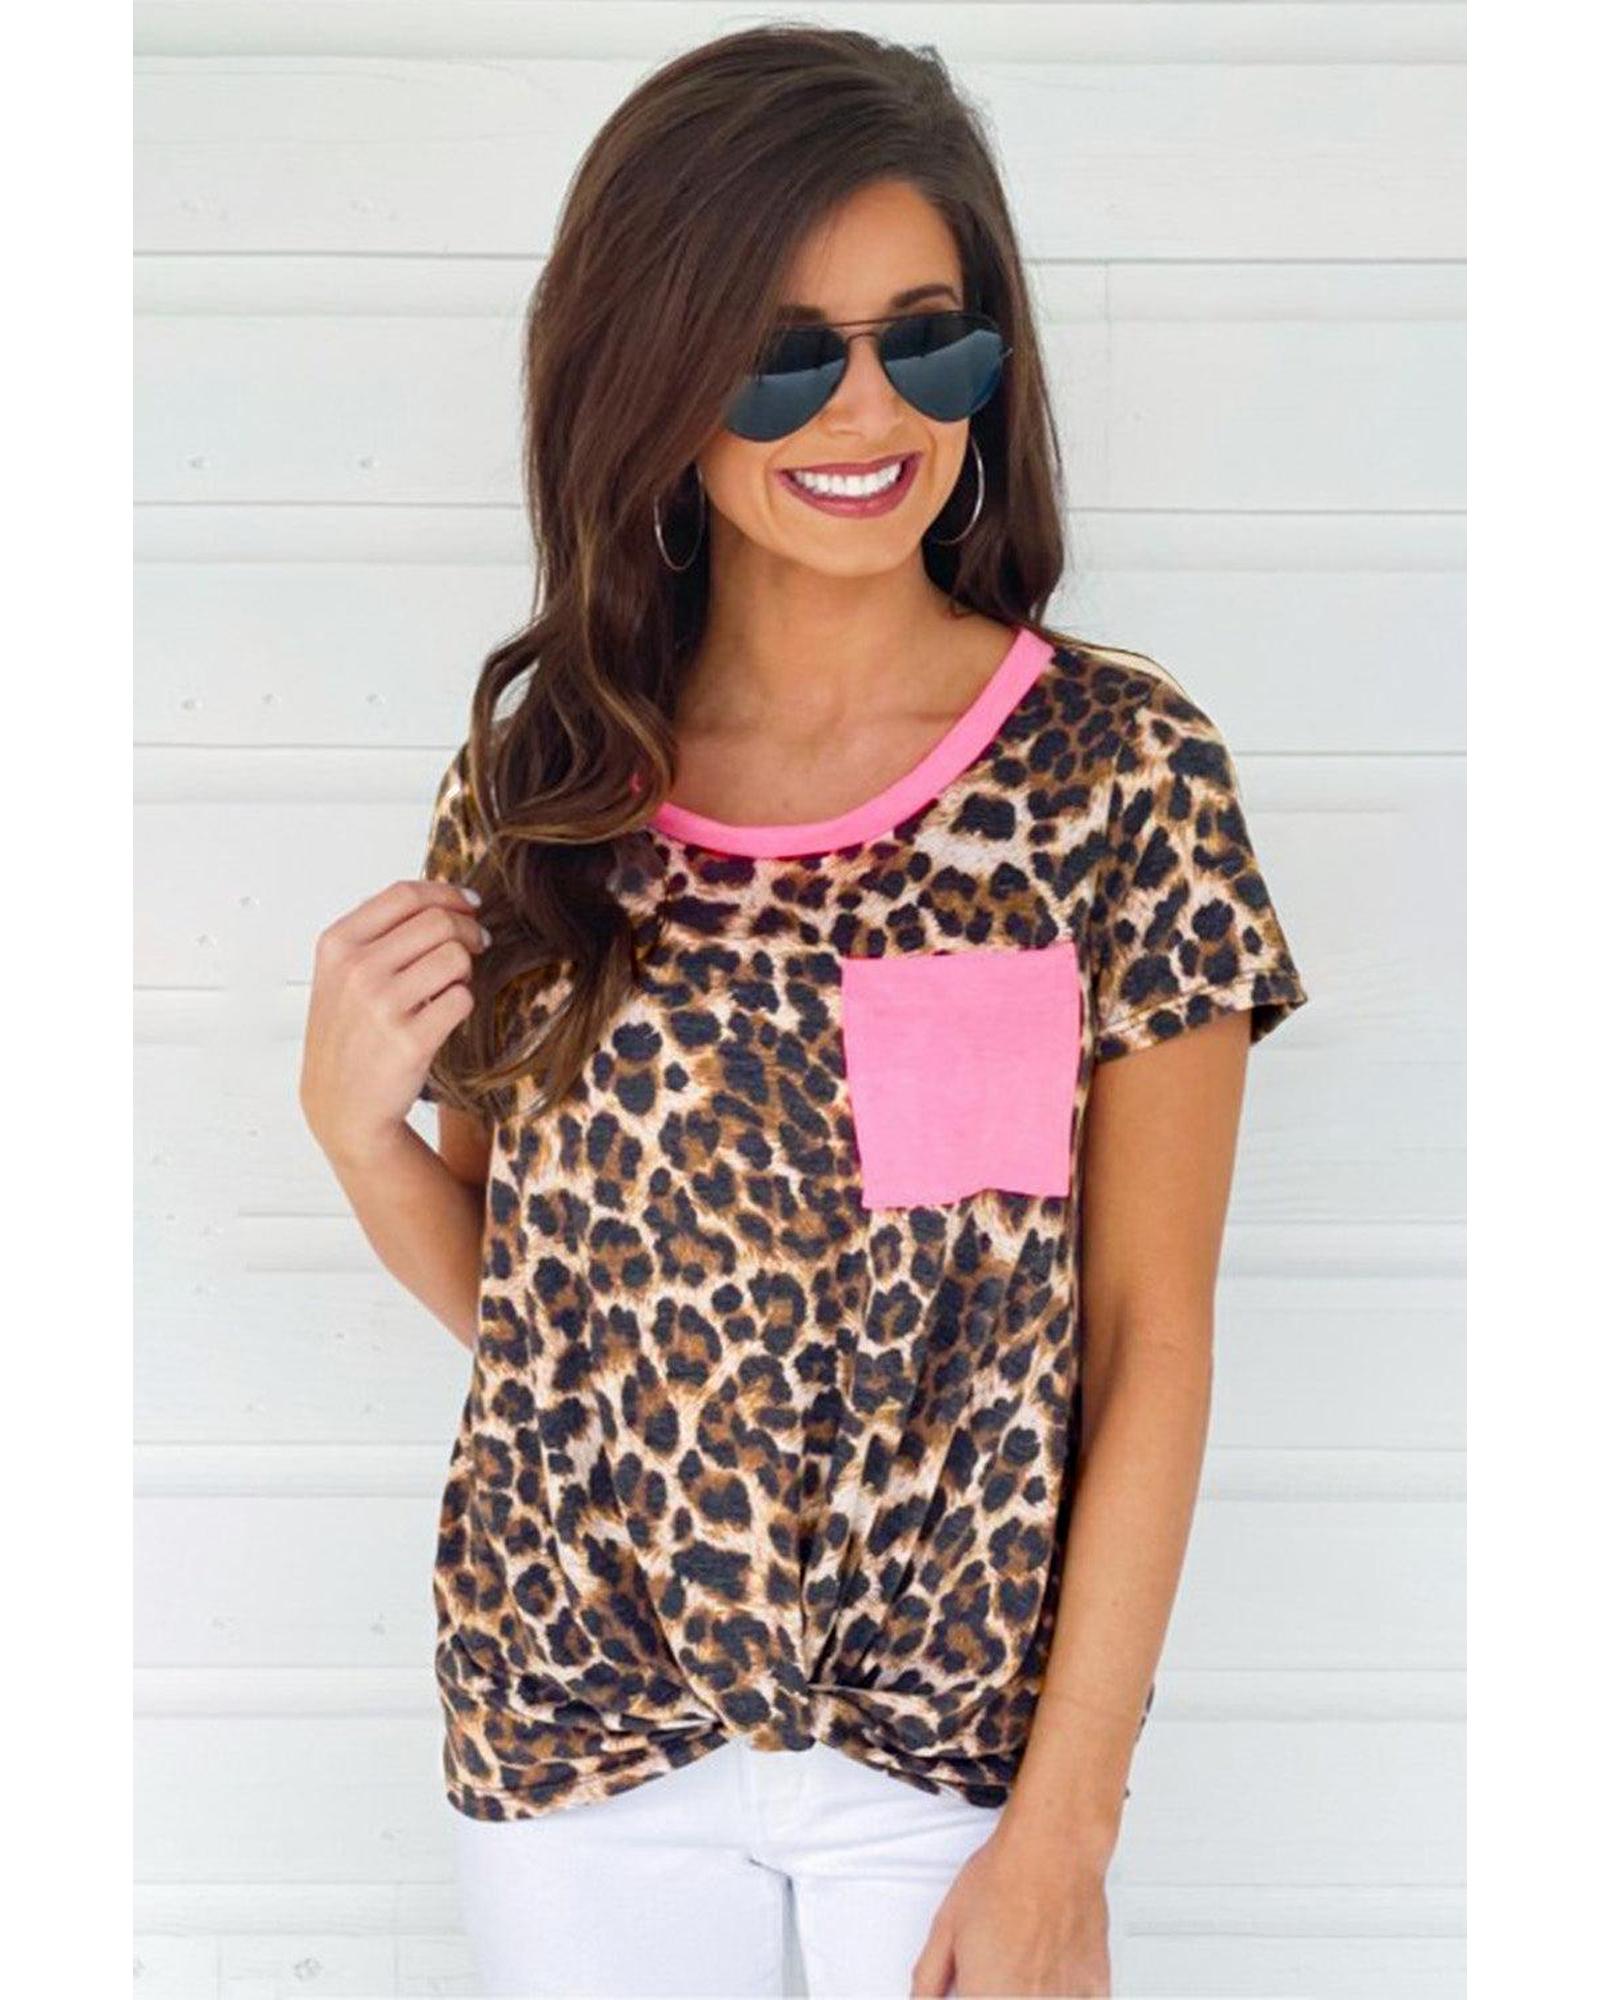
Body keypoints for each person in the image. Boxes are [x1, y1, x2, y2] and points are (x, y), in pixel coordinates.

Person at [298, 23, 1310, 1999]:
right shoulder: (541, 786)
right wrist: (352, 1136)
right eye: (780, 354)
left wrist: (1066, 1832)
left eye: (926, 339)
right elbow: (550, 1323)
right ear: (654, 372)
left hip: (952, 1763)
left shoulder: (1121, 773)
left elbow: (1148, 1339)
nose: (866, 407)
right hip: (575, 1734)